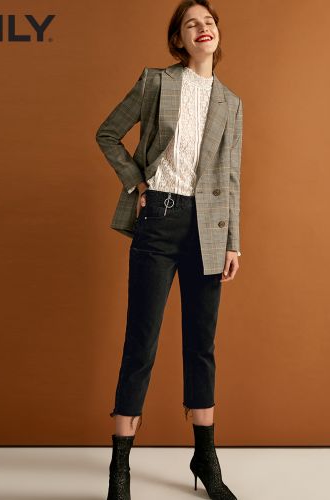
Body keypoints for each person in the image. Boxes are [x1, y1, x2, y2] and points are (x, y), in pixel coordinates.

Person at [95, 1, 242, 498]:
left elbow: (231, 178)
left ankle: (206, 458)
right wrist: (137, 183)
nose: (203, 28)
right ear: (178, 39)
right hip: (158, 217)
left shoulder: (231, 103)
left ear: (217, 34)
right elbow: (108, 133)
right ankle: (119, 468)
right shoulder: (156, 82)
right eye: (191, 23)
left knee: (202, 344)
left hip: (208, 229)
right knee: (141, 341)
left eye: (209, 21)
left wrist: (233, 242)